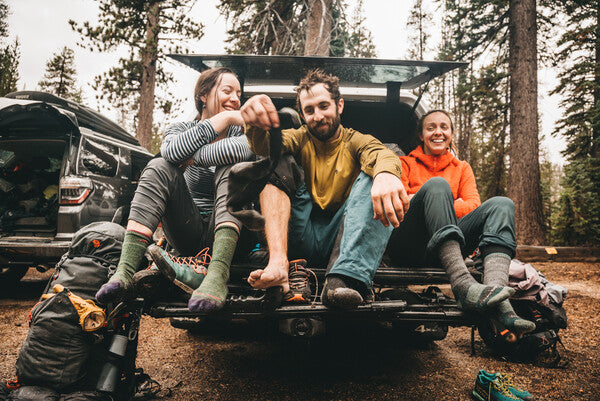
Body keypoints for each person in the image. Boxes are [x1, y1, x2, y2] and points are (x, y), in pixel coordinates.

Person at [240, 69, 410, 309]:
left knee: (375, 173)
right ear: (301, 113)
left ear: (339, 105)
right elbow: (266, 145)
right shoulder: (299, 138)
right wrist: (253, 120)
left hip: (342, 241)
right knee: (277, 160)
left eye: (323, 106)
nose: (317, 116)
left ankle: (342, 280)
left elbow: (380, 153)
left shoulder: (355, 141)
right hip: (300, 236)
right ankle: (279, 264)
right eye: (309, 110)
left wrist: (385, 174)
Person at [96, 67, 254, 313]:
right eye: (227, 91)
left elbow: (239, 151)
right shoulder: (178, 129)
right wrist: (222, 119)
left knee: (231, 167)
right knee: (159, 165)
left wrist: (190, 156)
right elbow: (170, 154)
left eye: (239, 94)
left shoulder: (248, 132)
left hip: (234, 236)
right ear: (203, 94)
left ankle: (217, 273)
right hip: (188, 233)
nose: (236, 99)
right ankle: (125, 270)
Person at [386, 109, 535, 334]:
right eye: (431, 127)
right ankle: (463, 286)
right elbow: (399, 204)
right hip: (410, 247)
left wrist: (435, 205)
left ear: (452, 134)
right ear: (421, 135)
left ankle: (498, 298)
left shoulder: (462, 168)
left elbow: (474, 205)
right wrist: (435, 199)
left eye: (444, 127)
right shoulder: (404, 164)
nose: (438, 132)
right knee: (437, 186)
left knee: (502, 204)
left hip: (448, 250)